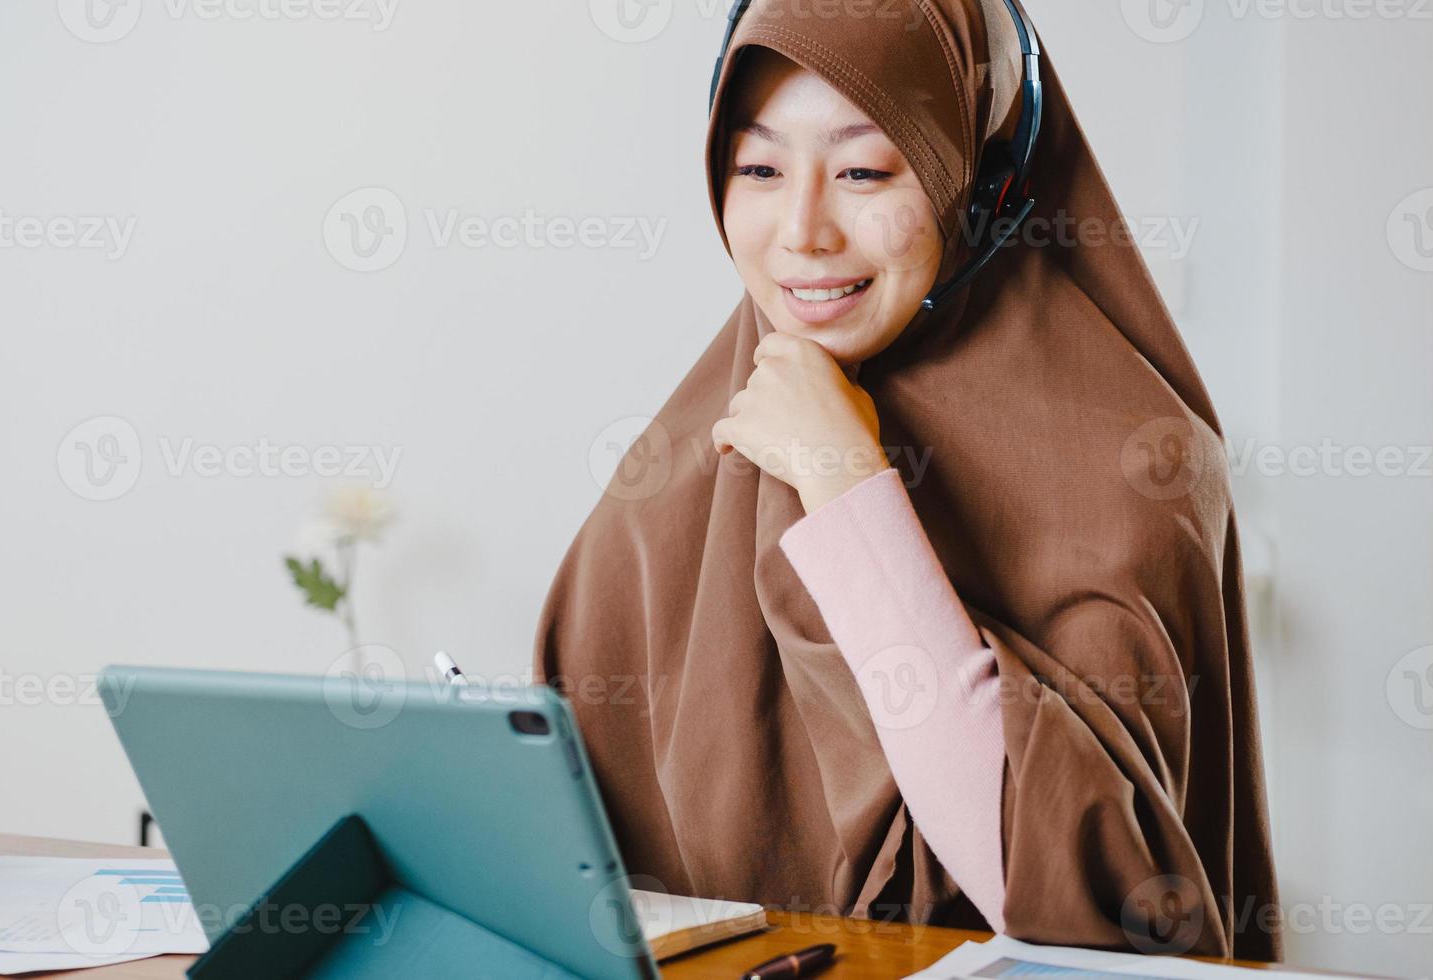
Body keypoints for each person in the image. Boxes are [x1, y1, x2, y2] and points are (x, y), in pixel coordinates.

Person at [533, 0, 1281, 960]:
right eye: (758, 168)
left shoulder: (1136, 461)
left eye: (863, 171)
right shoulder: (689, 455)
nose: (802, 231)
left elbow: (1080, 903)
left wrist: (846, 485)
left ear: (986, 181)